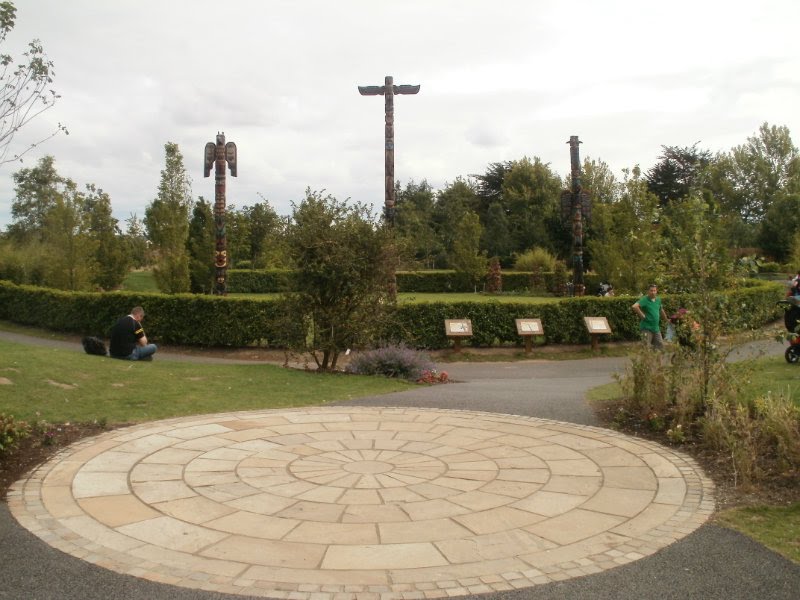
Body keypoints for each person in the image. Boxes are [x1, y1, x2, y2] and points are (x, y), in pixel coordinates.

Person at [632, 284, 668, 350]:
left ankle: (655, 360)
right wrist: (642, 316)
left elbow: (661, 309)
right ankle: (646, 360)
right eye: (651, 291)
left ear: (656, 291)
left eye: (654, 290)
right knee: (646, 348)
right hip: (647, 328)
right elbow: (634, 306)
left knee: (660, 348)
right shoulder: (644, 299)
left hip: (656, 328)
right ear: (648, 291)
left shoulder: (658, 300)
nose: (653, 292)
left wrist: (666, 319)